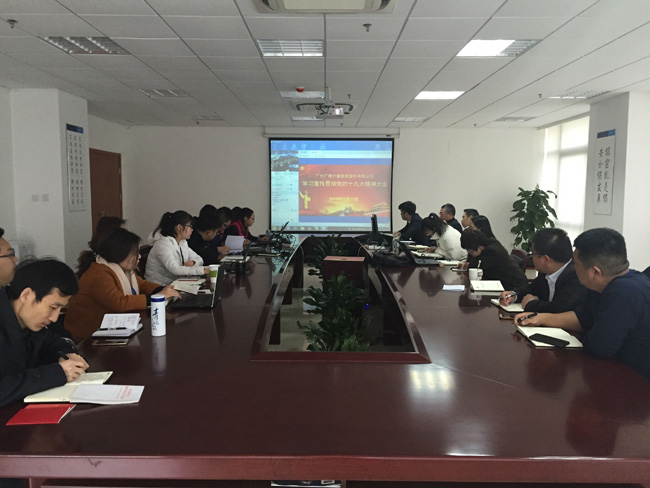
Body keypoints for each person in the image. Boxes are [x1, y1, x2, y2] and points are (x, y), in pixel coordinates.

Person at [516, 228, 650, 380]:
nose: (573, 267)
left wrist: (587, 332)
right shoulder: (605, 283)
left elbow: (599, 347)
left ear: (595, 272)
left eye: (576, 264)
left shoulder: (624, 292)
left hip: (635, 381)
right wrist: (540, 318)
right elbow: (583, 318)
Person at [65, 228, 180, 342]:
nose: (139, 256)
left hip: (111, 330)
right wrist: (157, 297)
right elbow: (119, 302)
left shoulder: (122, 269)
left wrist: (162, 289)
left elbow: (141, 284)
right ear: (119, 254)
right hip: (87, 337)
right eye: (135, 253)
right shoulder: (98, 274)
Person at [0, 258, 89, 406]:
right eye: (53, 307)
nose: (54, 318)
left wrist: (67, 354)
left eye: (60, 309)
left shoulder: (29, 323)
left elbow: (54, 341)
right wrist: (56, 374)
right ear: (26, 295)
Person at [500, 228, 587, 313]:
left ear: (545, 259)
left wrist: (532, 304)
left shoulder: (576, 276)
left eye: (533, 254)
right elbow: (532, 288)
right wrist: (514, 295)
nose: (531, 258)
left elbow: (560, 308)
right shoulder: (546, 272)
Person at [145, 211, 208, 286]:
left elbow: (199, 259)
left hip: (173, 283)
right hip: (158, 286)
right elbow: (175, 269)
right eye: (190, 226)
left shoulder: (182, 242)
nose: (192, 229)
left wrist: (193, 262)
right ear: (179, 227)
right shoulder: (162, 244)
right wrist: (203, 270)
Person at [460, 229, 528, 290]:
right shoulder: (488, 245)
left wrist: (468, 264)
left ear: (479, 247)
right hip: (502, 284)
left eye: (470, 252)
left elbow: (475, 267)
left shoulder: (493, 251)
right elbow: (471, 261)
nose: (470, 254)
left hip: (514, 287)